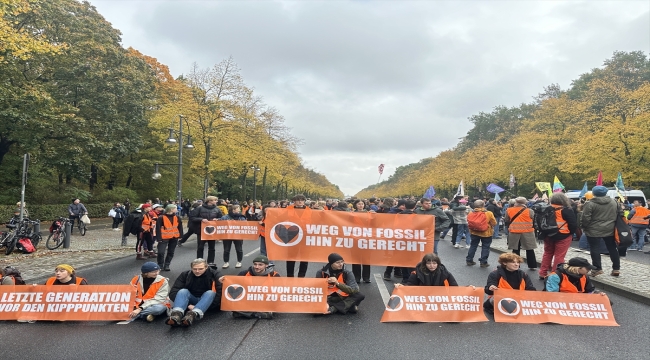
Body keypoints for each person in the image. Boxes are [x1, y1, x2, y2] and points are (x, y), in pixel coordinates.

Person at [581, 186, 622, 277]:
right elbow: (620, 214)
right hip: (610, 229)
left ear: (594, 193)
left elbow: (585, 218)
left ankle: (597, 269)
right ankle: (616, 268)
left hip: (593, 230)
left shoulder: (590, 203)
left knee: (595, 249)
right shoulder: (614, 202)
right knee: (612, 248)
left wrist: (584, 227)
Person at [168, 258, 223, 327]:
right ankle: (176, 315)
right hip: (191, 299)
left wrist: (208, 306)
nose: (197, 271)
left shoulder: (215, 275)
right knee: (183, 291)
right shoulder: (185, 274)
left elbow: (220, 292)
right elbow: (173, 291)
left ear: (206, 267)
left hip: (208, 300)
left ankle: (192, 314)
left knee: (210, 292)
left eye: (200, 269)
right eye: (194, 269)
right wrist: (188, 305)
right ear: (191, 268)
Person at [538, 193, 578, 279]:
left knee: (547, 253)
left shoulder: (545, 208)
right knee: (559, 255)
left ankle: (542, 272)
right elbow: (573, 224)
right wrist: (571, 232)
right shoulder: (566, 210)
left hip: (547, 234)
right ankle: (555, 274)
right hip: (563, 235)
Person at [504, 197, 538, 271]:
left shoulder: (509, 210)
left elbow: (506, 219)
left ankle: (515, 266)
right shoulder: (530, 211)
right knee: (529, 249)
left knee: (515, 250)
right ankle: (532, 265)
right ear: (525, 203)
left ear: (516, 202)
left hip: (514, 232)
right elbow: (533, 219)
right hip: (527, 232)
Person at [190, 196, 224, 268]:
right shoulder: (199, 208)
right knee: (200, 247)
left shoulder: (217, 209)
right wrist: (201, 219)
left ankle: (210, 262)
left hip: (212, 231)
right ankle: (199, 262)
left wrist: (217, 219)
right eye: (215, 200)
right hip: (201, 231)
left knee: (212, 247)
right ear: (210, 201)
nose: (216, 201)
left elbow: (221, 218)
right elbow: (192, 218)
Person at [466, 200, 497, 267]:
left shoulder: (471, 213)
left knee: (473, 246)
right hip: (486, 233)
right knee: (485, 247)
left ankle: (469, 260)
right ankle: (483, 262)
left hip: (474, 232)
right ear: (483, 205)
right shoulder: (488, 213)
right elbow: (494, 223)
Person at [286, 194, 310, 278]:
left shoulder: (309, 210)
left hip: (305, 236)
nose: (300, 201)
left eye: (302, 200)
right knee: (291, 257)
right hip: (292, 236)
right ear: (294, 201)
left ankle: (301, 276)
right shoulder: (288, 209)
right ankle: (290, 276)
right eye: (298, 200)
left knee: (304, 258)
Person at [156, 204, 183, 271]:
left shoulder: (177, 217)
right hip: (164, 237)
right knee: (161, 252)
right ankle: (160, 265)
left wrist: (181, 235)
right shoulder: (161, 218)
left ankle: (167, 265)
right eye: (175, 208)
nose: (177, 210)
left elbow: (180, 227)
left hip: (174, 237)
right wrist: (158, 238)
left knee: (171, 252)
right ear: (171, 209)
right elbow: (158, 228)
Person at [220, 204, 247, 269]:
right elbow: (220, 224)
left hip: (238, 235)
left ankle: (239, 261)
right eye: (238, 209)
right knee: (226, 249)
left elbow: (245, 224)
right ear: (233, 210)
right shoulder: (225, 217)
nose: (239, 210)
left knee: (239, 249)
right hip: (227, 235)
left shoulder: (241, 217)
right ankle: (226, 262)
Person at [352, 199, 371, 283]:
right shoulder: (351, 214)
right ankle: (357, 277)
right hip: (355, 239)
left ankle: (366, 277)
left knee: (366, 259)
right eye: (359, 204)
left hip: (366, 239)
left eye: (362, 204)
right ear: (355, 205)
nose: (360, 205)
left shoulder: (369, 214)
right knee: (356, 259)